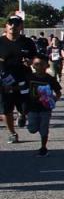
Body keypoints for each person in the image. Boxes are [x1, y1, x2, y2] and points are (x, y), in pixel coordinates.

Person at [1, 15, 33, 144]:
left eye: (16, 24)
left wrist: (30, 61)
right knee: (6, 109)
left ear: (21, 27)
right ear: (6, 26)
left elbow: (35, 58)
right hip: (4, 80)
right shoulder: (1, 42)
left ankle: (22, 114)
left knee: (25, 107)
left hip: (23, 79)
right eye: (10, 24)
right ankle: (12, 133)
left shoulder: (27, 42)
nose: (13, 26)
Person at [24, 53, 61, 156]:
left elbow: (58, 93)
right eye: (36, 64)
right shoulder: (29, 77)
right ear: (33, 65)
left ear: (47, 66)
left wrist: (53, 100)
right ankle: (34, 127)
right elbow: (22, 89)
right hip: (32, 108)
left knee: (44, 128)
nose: (39, 67)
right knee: (32, 129)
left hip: (45, 108)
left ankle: (43, 147)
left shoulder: (50, 79)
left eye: (42, 64)